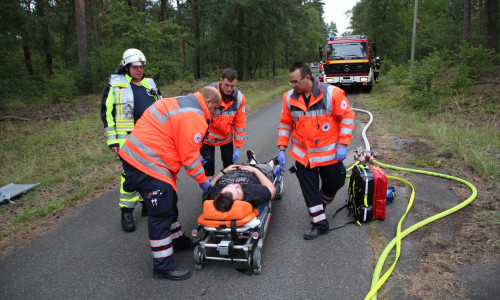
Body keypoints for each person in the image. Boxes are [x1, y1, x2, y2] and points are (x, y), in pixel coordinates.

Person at [118, 86, 221, 280]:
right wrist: (203, 181)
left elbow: (179, 140)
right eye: (214, 109)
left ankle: (177, 240)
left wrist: (193, 159)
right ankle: (163, 265)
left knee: (169, 198)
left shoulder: (182, 102)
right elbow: (189, 158)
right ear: (208, 102)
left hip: (143, 157)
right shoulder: (195, 116)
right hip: (147, 162)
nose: (214, 113)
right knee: (161, 214)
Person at [276, 62, 355, 240]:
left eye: (296, 81)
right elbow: (285, 124)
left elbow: (347, 119)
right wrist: (282, 147)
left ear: (307, 78)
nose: (293, 86)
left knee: (336, 183)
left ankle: (322, 202)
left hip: (329, 154)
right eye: (291, 82)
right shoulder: (289, 98)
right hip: (303, 155)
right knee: (309, 190)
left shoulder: (332, 93)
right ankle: (319, 224)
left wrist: (343, 145)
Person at [100, 48, 162, 232]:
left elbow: (161, 106)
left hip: (150, 138)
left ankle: (146, 204)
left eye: (141, 66)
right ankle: (126, 211)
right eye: (135, 67)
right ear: (126, 67)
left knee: (150, 171)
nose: (139, 70)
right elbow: (107, 114)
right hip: (127, 140)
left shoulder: (149, 83)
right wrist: (112, 141)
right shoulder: (115, 84)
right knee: (130, 175)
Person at [201, 68, 246, 180]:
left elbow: (239, 123)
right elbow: (197, 116)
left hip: (226, 136)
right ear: (220, 80)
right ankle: (208, 187)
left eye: (232, 86)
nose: (229, 89)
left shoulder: (239, 98)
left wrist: (238, 146)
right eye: (226, 85)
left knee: (229, 164)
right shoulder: (208, 93)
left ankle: (228, 183)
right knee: (208, 164)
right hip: (208, 137)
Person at [203, 150, 277, 211]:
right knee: (268, 166)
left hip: (236, 168)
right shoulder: (252, 193)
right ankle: (273, 161)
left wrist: (224, 171)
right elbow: (272, 189)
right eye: (237, 190)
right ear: (239, 201)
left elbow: (210, 185)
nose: (236, 184)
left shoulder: (215, 194)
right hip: (259, 170)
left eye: (229, 185)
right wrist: (255, 171)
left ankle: (252, 160)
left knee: (250, 164)